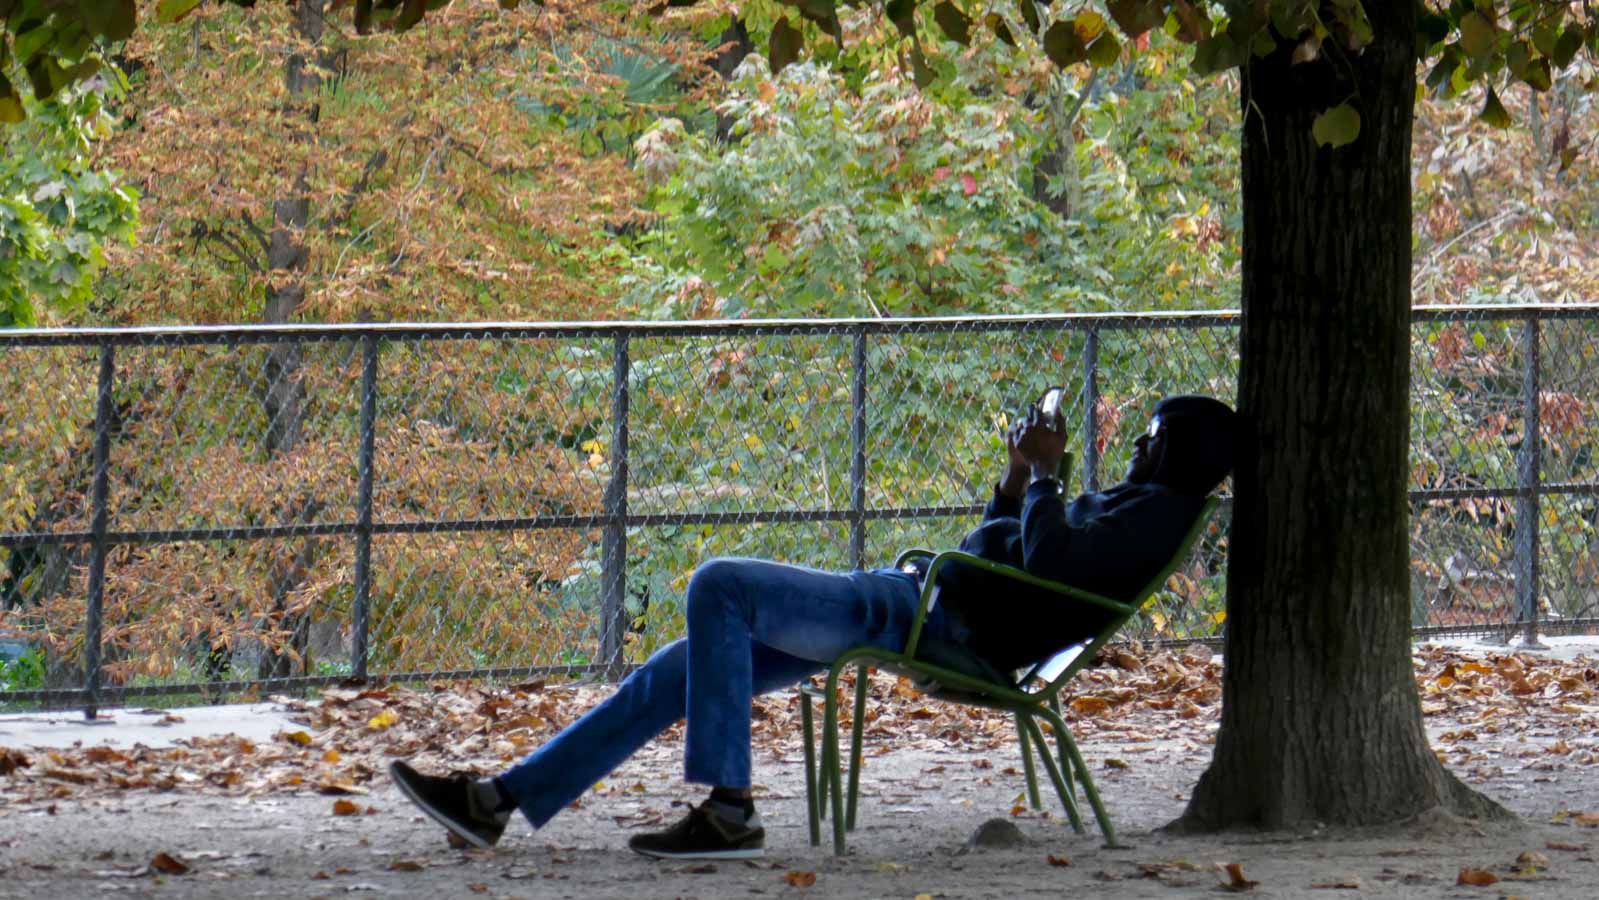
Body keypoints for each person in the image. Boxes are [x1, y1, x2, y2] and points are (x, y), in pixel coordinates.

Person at [389, 393, 1238, 860]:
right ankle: (497, 801)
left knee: (718, 584)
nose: (1136, 446)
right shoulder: (1132, 504)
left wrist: (1049, 481)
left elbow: (1048, 568)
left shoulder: (1152, 515)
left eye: (1151, 435)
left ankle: (730, 809)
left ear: (1183, 452)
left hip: (925, 618)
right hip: (923, 604)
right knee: (677, 668)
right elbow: (1005, 547)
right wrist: (1019, 479)